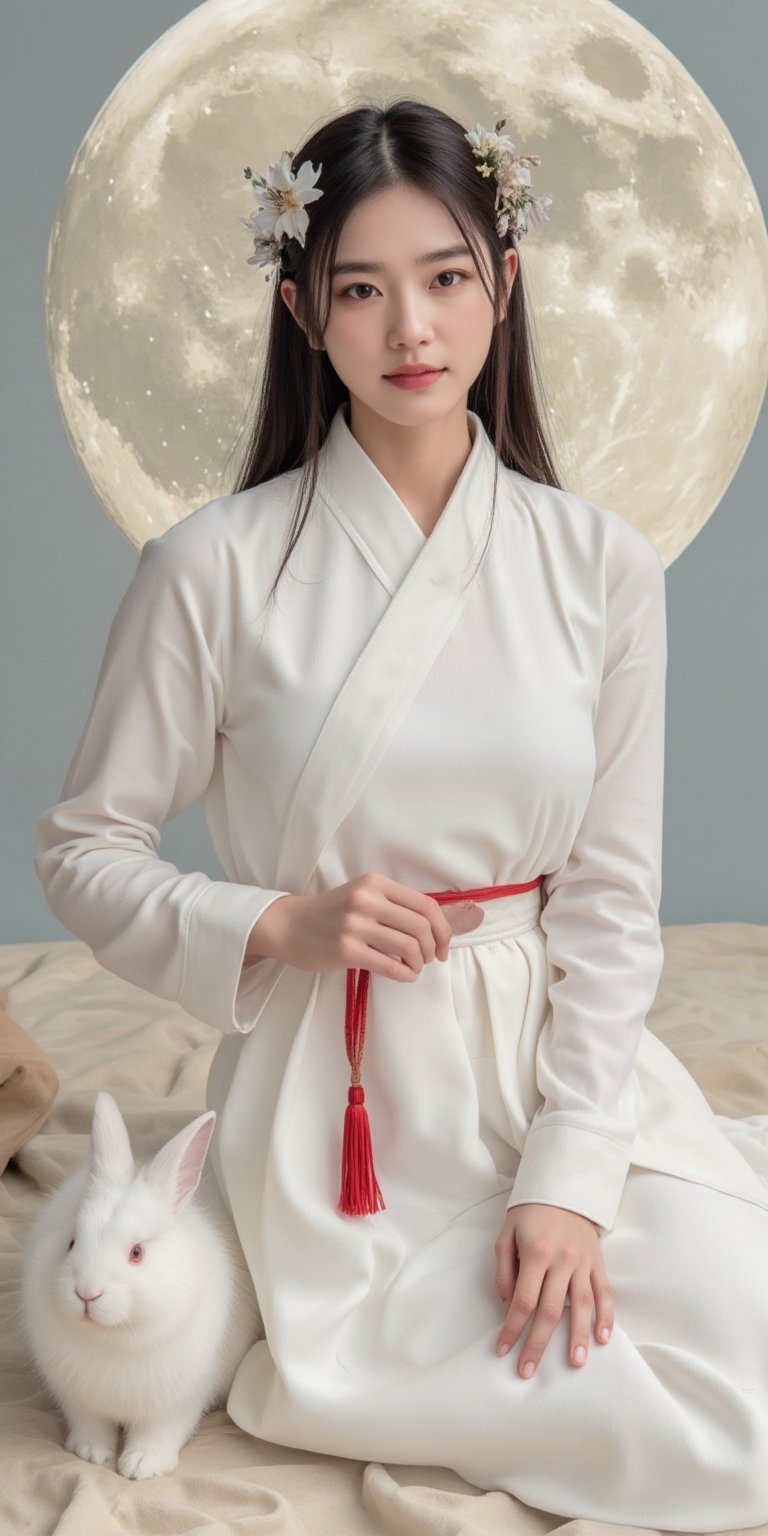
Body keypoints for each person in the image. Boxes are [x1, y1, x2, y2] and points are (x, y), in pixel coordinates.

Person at [34, 98, 768, 1529]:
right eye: (360, 290)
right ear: (305, 315)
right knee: (635, 1416)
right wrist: (275, 922)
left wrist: (567, 1174)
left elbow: (611, 900)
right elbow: (83, 849)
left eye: (443, 277)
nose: (409, 328)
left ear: (504, 283)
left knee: (748, 1347)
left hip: (557, 1069)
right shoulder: (212, 568)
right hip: (342, 1110)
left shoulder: (602, 566)